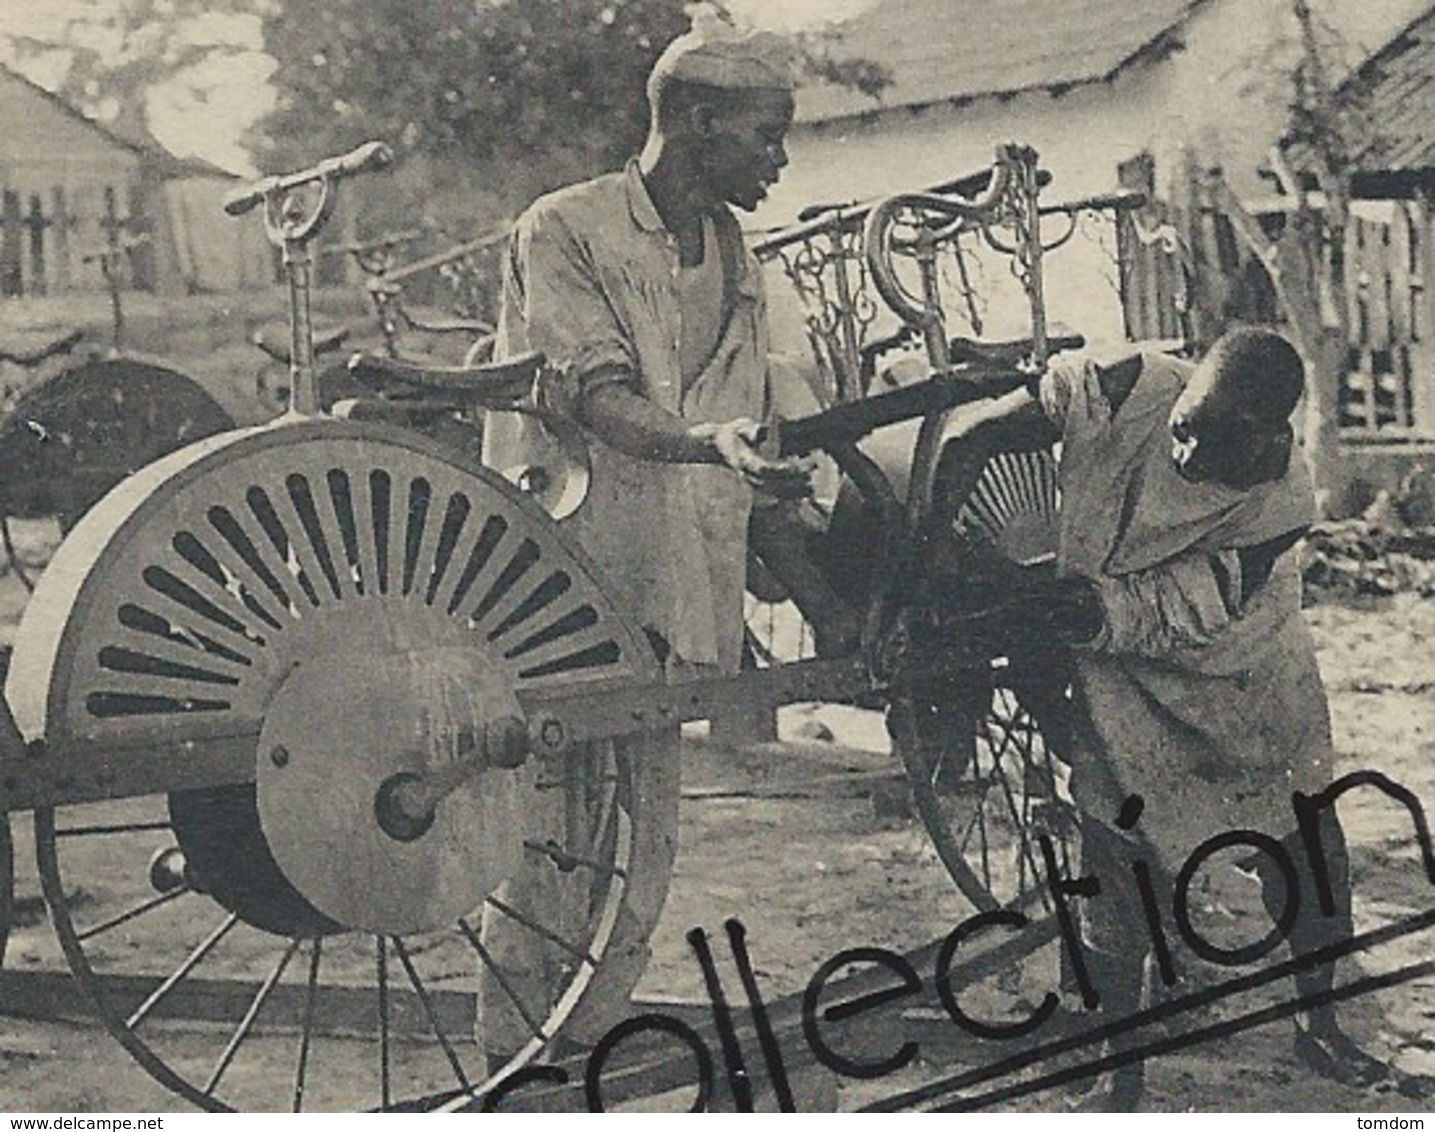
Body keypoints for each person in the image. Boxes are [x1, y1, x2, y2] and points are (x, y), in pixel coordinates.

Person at [476, 4, 855, 1072]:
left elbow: (754, 435)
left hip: (679, 578)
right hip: (570, 570)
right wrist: (707, 444)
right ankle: (514, 1058)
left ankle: (581, 1045)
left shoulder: (735, 250)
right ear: (691, 123)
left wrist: (818, 589)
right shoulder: (566, 228)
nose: (780, 158)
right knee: (549, 838)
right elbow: (594, 394)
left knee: (643, 843)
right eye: (763, 135)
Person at [966, 328, 1406, 1108]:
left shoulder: (1281, 504)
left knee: (1300, 846)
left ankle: (1321, 1025)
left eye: (1215, 444)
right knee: (1113, 859)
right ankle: (1117, 1070)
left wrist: (1075, 607)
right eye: (1184, 427)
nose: (1184, 453)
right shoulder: (1122, 391)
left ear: (1270, 437)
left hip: (1245, 675)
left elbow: (1186, 605)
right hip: (1118, 679)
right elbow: (977, 437)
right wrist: (933, 560)